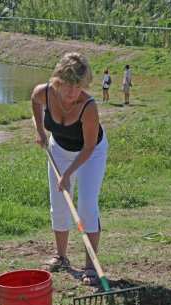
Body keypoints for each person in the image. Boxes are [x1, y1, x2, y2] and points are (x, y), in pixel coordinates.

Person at [31, 52, 108, 285]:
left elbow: (88, 148)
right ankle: (61, 256)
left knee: (86, 205)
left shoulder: (88, 106)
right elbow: (35, 103)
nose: (73, 92)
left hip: (90, 153)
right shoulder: (43, 92)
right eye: (68, 85)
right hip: (59, 150)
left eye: (78, 86)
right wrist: (41, 132)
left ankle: (90, 265)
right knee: (59, 203)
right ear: (58, 79)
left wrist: (67, 174)